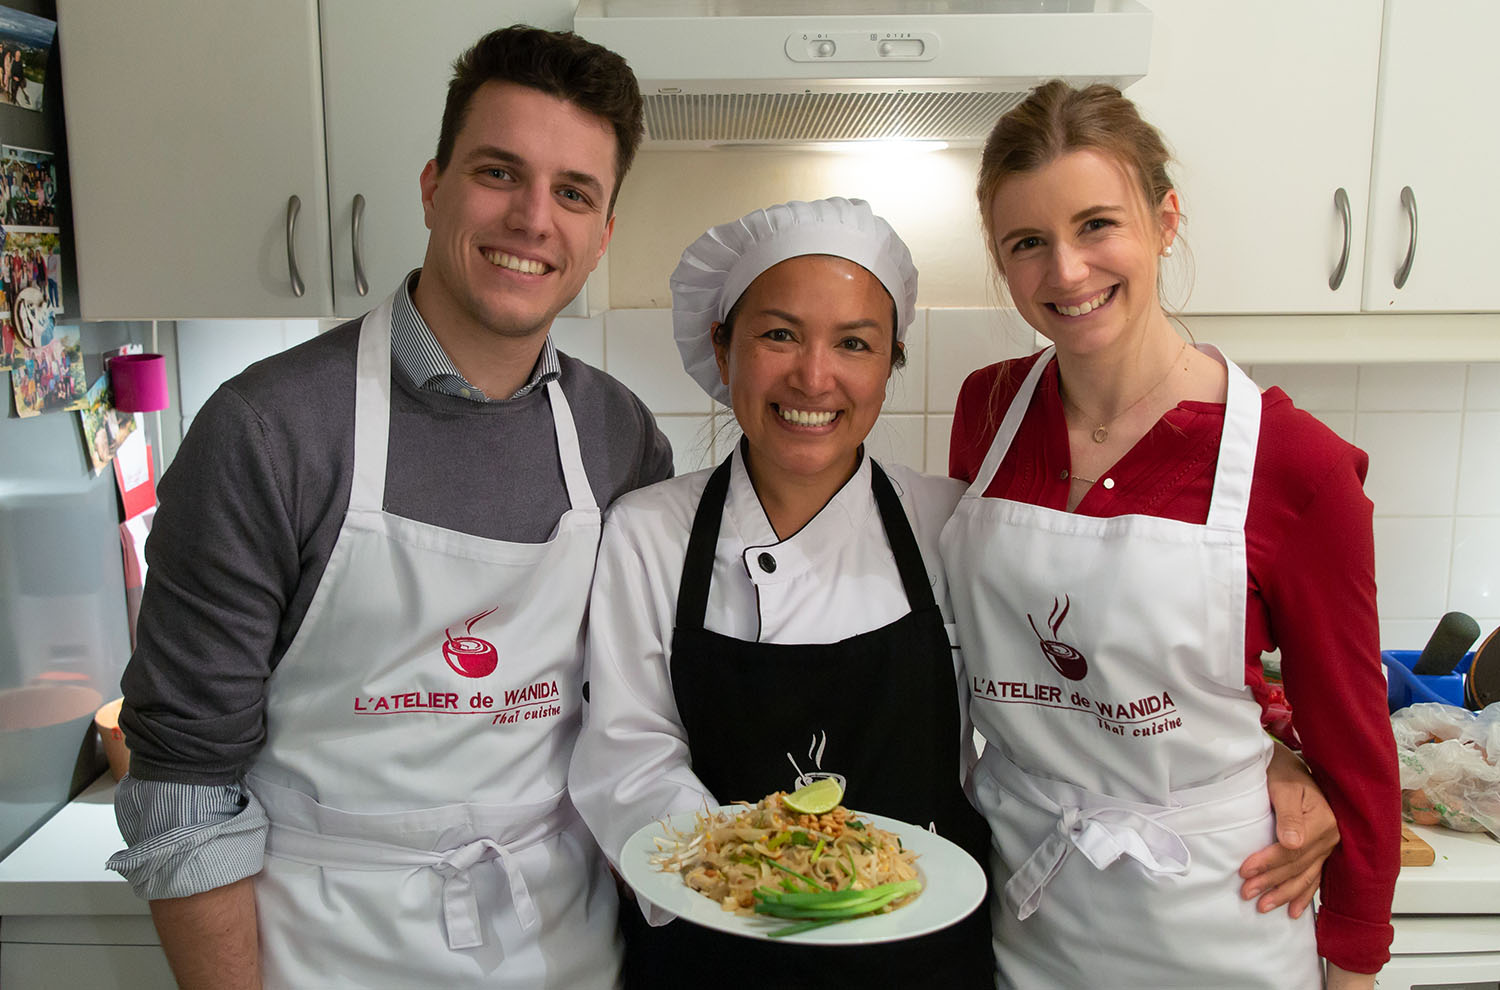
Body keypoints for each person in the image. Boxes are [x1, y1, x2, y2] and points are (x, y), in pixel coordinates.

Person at [568, 197, 1339, 990]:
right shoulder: (649, 532)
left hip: (924, 956)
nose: (814, 376)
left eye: (856, 344)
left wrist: (1268, 760)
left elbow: (1065, 694)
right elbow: (628, 752)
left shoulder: (949, 522)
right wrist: (754, 876)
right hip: (714, 941)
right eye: (778, 334)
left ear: (891, 364)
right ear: (722, 349)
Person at [105, 26, 671, 990]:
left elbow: (632, 716)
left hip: (564, 950)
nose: (534, 218)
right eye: (500, 173)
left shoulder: (619, 439)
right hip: (324, 950)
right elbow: (182, 782)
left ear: (603, 232)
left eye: (574, 192)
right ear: (432, 185)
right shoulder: (267, 431)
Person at [940, 80, 1398, 989]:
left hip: (1217, 919)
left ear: (1164, 221)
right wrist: (1270, 743)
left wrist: (1353, 967)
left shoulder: (1294, 467)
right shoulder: (987, 409)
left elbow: (1356, 746)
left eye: (1097, 226)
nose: (1066, 272)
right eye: (1028, 244)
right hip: (1024, 899)